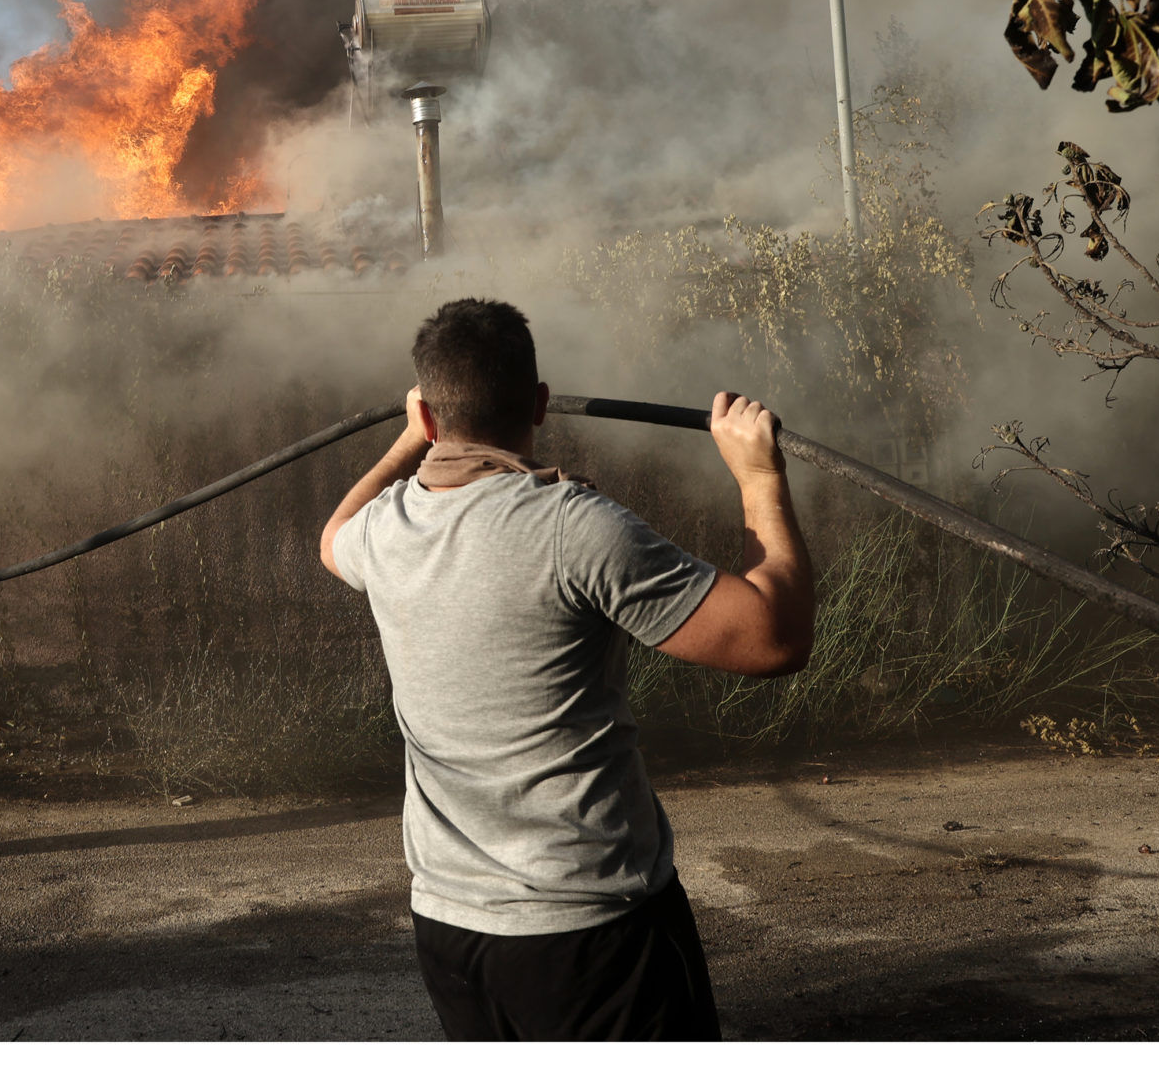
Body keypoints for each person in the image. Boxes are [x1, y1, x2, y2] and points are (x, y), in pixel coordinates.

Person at [320, 298, 814, 1041]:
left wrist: (408, 438)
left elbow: (333, 537)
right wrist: (757, 476)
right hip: (590, 928)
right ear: (541, 405)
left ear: (429, 417)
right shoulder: (573, 526)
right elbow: (773, 640)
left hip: (452, 932)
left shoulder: (386, 529)